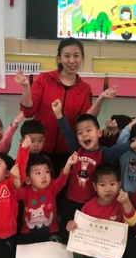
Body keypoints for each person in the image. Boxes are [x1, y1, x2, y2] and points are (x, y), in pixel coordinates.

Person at [17, 37, 117, 171]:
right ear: (59, 58)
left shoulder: (85, 88)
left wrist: (101, 99)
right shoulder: (43, 79)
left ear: (82, 57)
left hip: (69, 151)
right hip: (39, 148)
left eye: (76, 55)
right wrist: (26, 87)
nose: (72, 61)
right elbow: (28, 112)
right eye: (67, 56)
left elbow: (86, 119)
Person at [0, 151, 79, 258]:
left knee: (58, 247)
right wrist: (15, 177)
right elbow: (16, 191)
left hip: (51, 231)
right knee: (16, 250)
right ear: (28, 179)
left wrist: (69, 163)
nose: (44, 176)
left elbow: (63, 178)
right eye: (38, 173)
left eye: (47, 171)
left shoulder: (52, 188)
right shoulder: (25, 191)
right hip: (28, 233)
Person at [51, 100, 130, 240]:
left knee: (88, 230)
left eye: (89, 130)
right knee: (67, 226)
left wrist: (132, 145)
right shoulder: (76, 149)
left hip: (91, 201)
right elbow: (67, 132)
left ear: (99, 133)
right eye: (80, 133)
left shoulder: (103, 153)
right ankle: (62, 241)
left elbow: (116, 150)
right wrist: (58, 114)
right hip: (71, 199)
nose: (85, 135)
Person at [66, 164, 136, 258]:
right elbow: (79, 229)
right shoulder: (88, 206)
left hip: (114, 249)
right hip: (93, 249)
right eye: (102, 184)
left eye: (112, 184)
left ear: (119, 185)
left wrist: (126, 203)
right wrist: (71, 226)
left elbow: (132, 222)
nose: (108, 189)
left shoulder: (121, 204)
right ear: (95, 186)